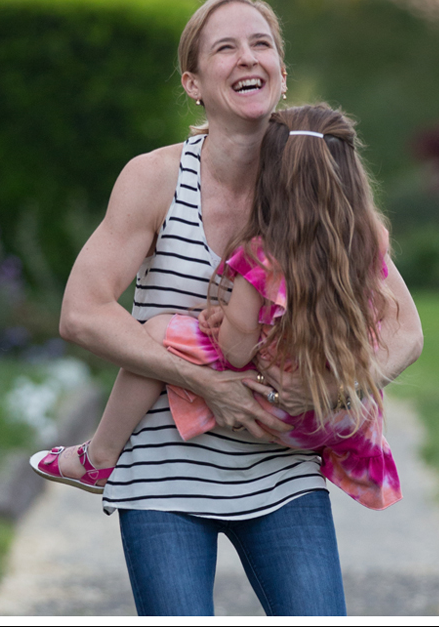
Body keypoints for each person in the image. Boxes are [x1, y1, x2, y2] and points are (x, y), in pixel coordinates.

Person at [35, 0, 422, 616]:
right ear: (193, 83)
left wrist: (334, 386)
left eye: (261, 43)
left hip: (282, 472)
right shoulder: (156, 179)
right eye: (226, 47)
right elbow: (81, 312)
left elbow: (406, 331)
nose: (248, 57)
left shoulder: (313, 177)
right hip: (165, 476)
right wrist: (207, 383)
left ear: (282, 72)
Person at [32, 103, 401, 512]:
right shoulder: (366, 240)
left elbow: (236, 352)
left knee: (156, 332)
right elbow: (386, 322)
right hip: (337, 421)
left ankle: (99, 456)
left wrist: (227, 320)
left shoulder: (263, 257)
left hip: (276, 413)